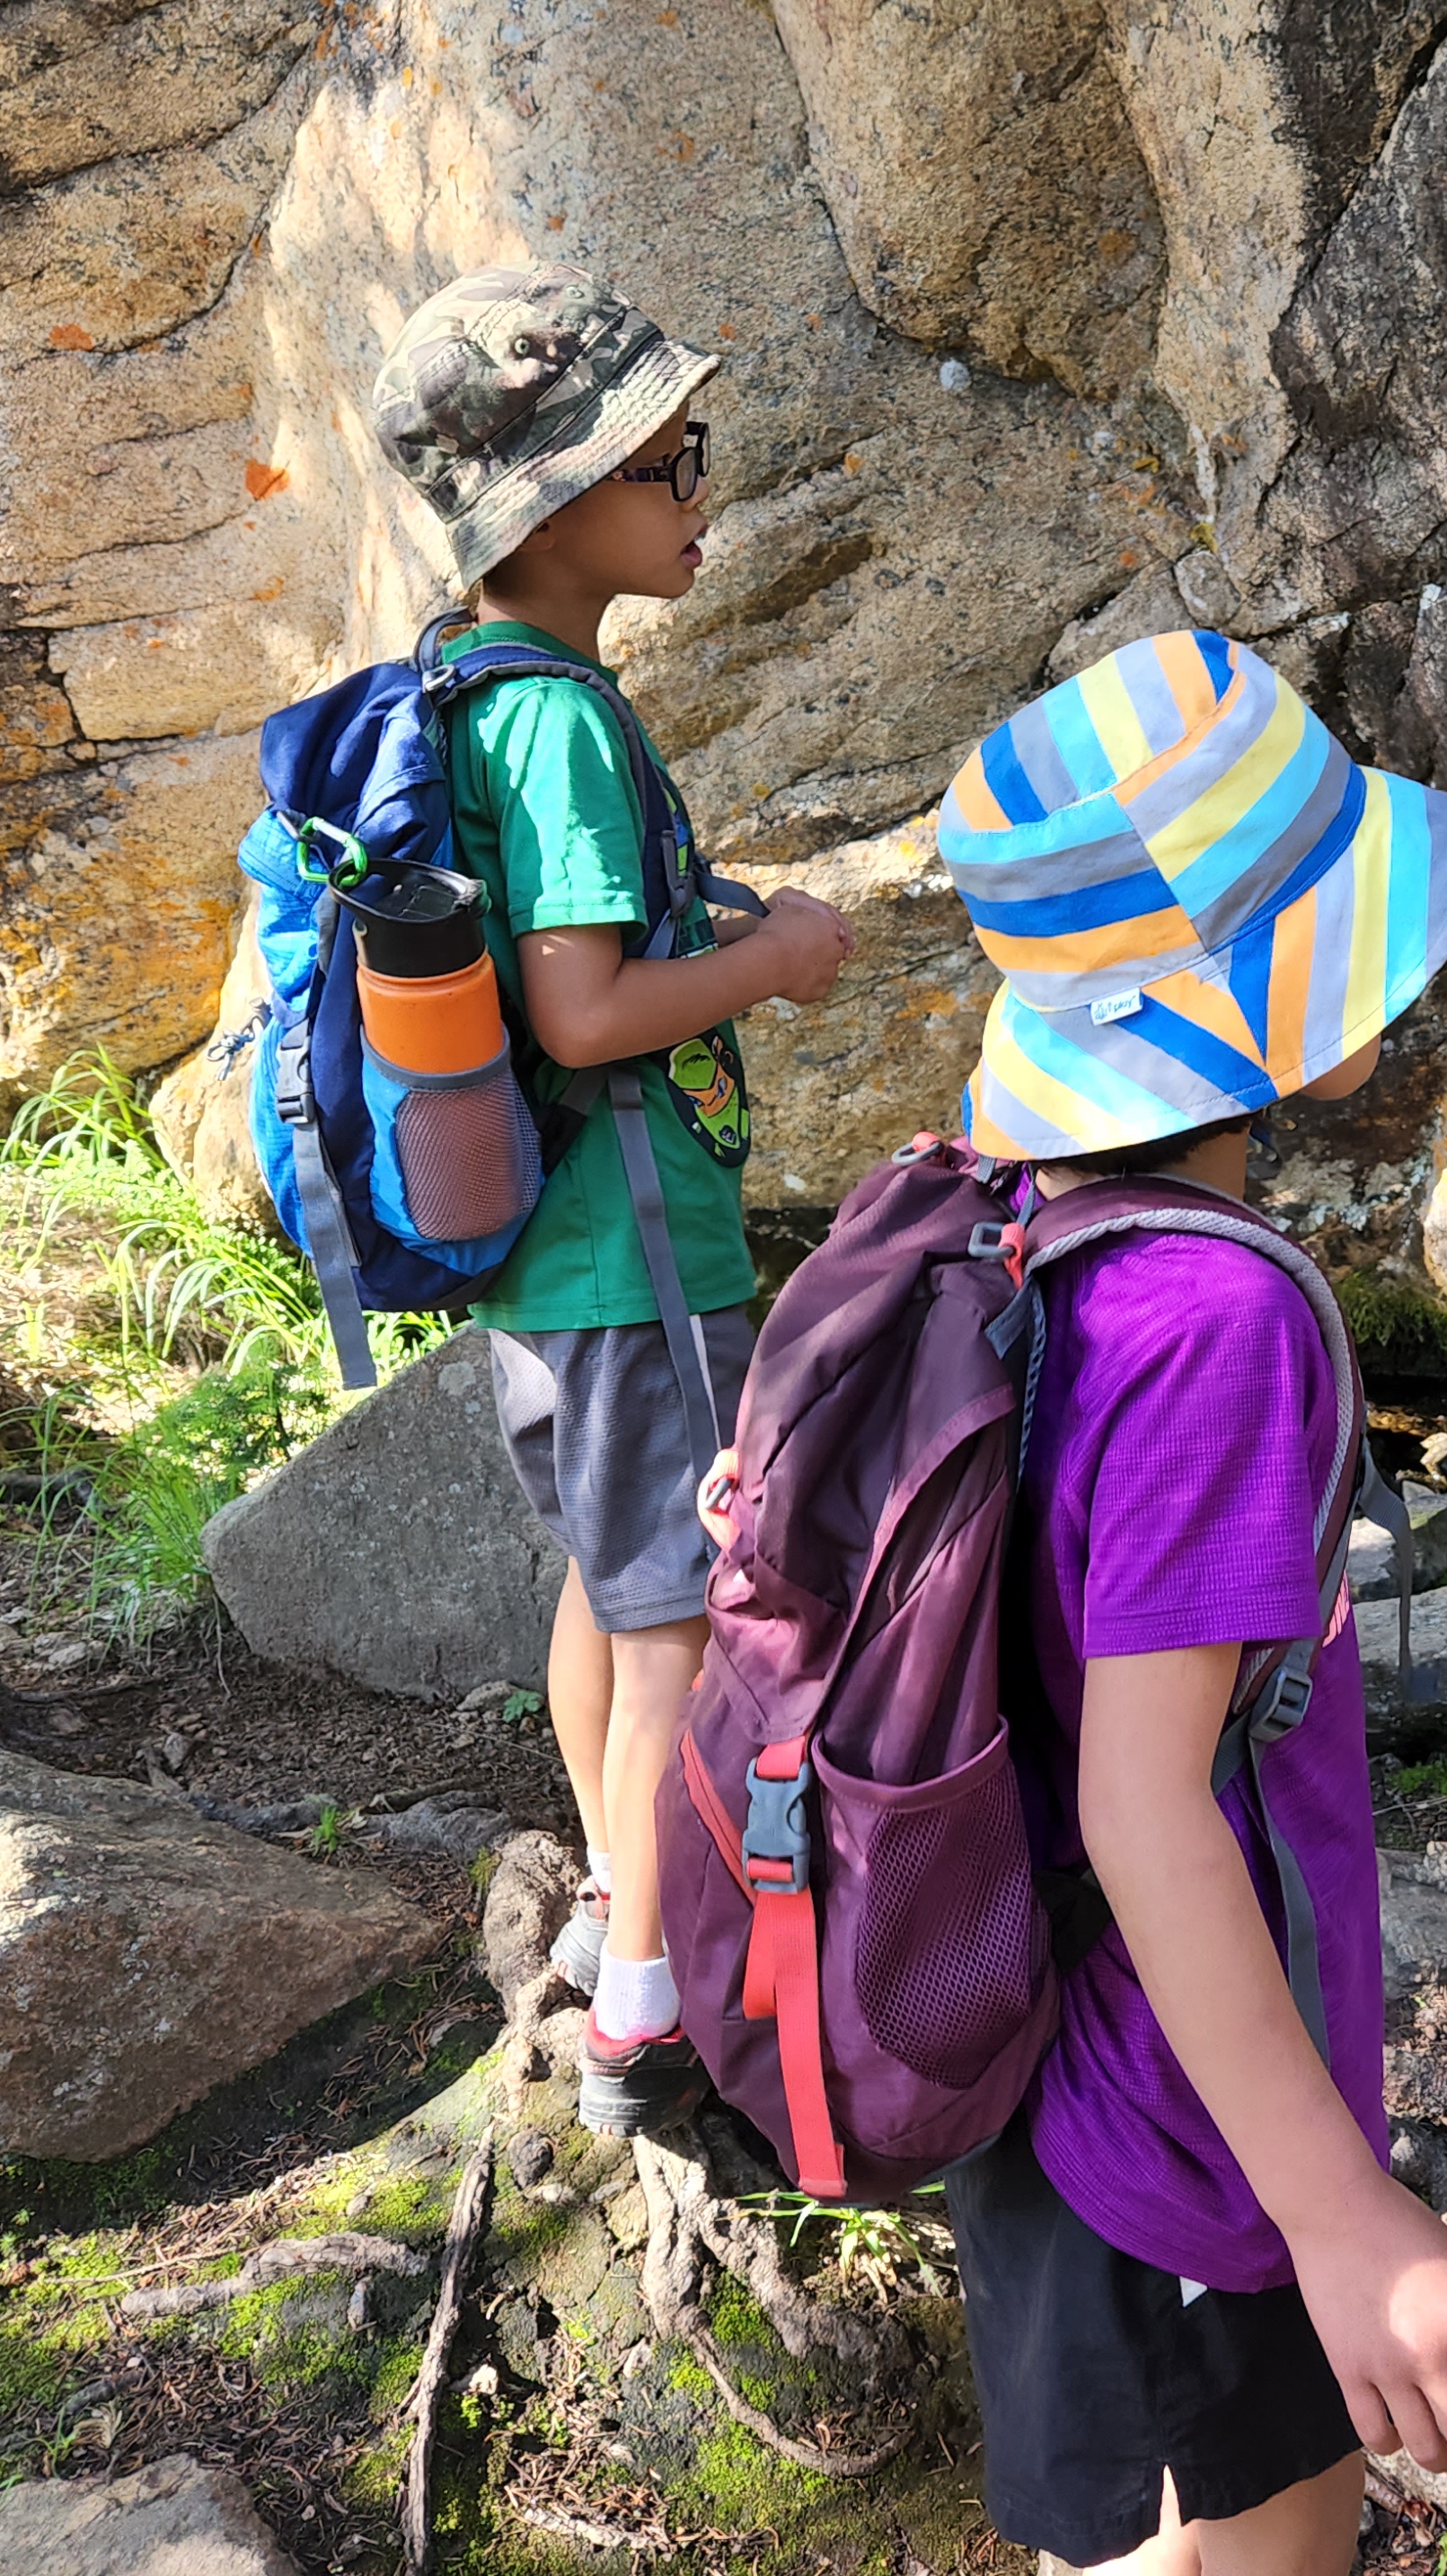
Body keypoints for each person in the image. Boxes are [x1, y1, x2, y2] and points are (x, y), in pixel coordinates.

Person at [934, 633, 1447, 2575]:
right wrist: (1340, 2209)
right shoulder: (1216, 1319)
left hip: (1043, 2073)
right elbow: (1146, 1800)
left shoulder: (1007, 1224)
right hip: (1190, 2136)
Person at [366, 264, 856, 2132]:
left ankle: (601, 1906)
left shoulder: (469, 682)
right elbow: (580, 1013)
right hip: (635, 1240)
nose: (702, 489)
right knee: (678, 1615)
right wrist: (776, 962)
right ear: (558, 505)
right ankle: (649, 2008)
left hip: (543, 1251)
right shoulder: (561, 720)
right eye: (673, 460)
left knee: (604, 1577)